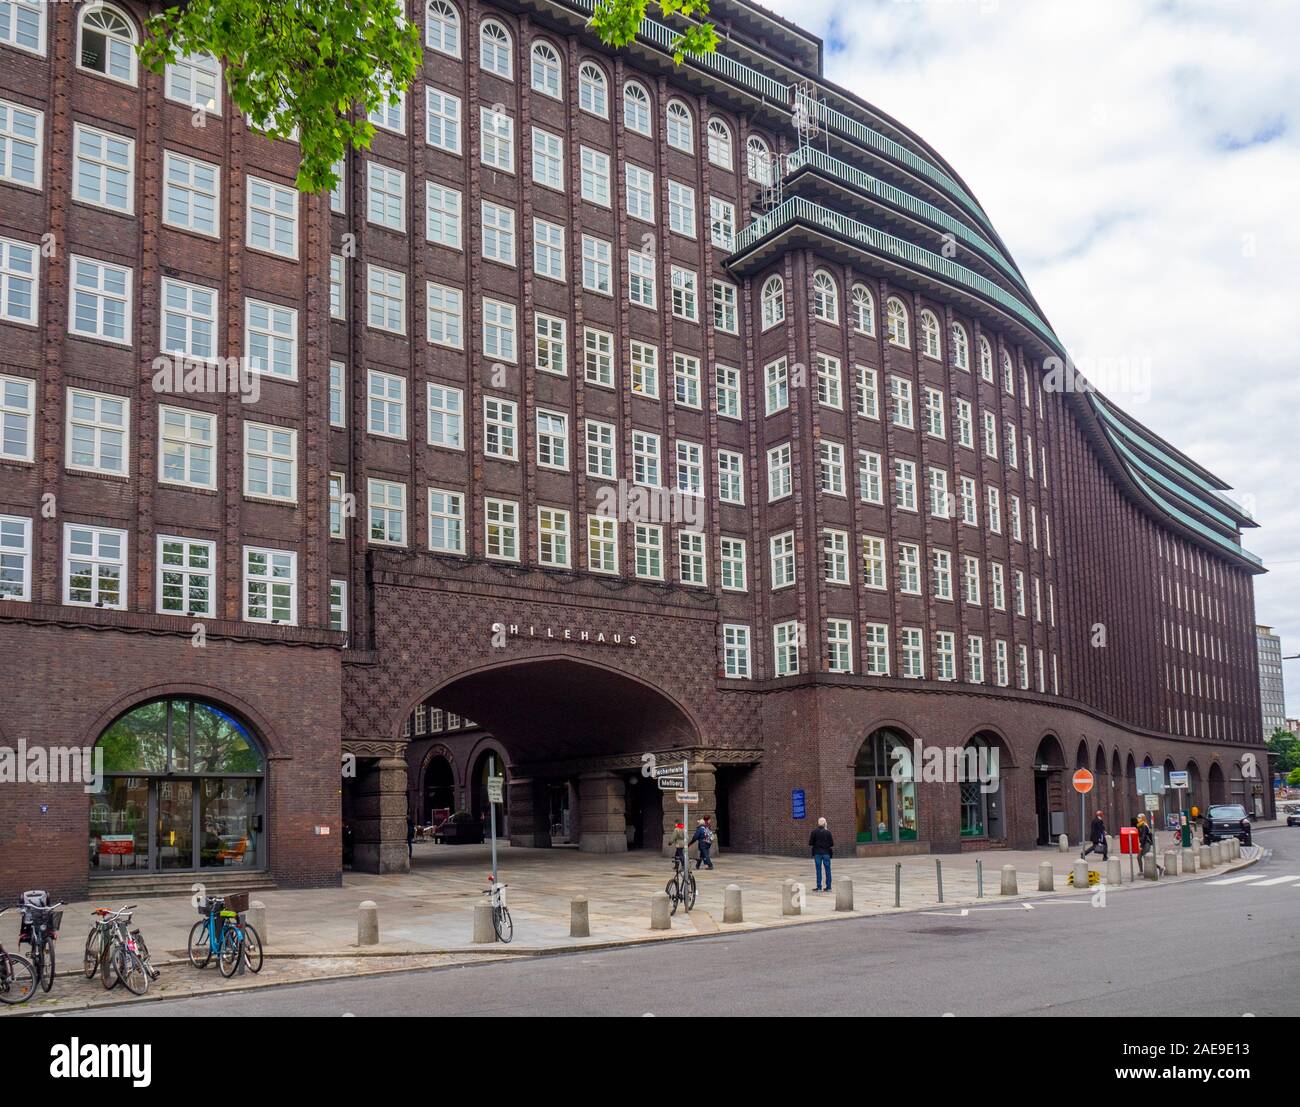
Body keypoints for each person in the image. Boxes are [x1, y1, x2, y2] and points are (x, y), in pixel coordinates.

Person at [809, 816, 834, 892]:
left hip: (817, 853)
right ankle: (828, 887)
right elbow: (832, 844)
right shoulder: (828, 832)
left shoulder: (814, 832)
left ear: (818, 823)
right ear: (825, 823)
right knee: (828, 870)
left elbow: (810, 843)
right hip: (826, 853)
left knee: (818, 870)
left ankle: (819, 887)